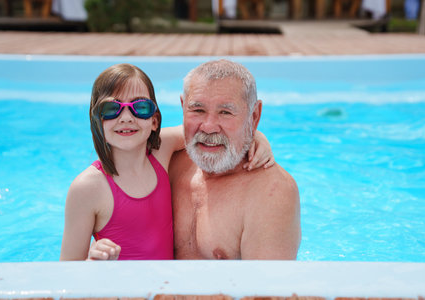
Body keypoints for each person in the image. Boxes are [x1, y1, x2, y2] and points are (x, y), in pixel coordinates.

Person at [60, 63, 274, 261]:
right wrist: (91, 263)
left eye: (140, 107)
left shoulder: (162, 151)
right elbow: (65, 275)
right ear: (96, 120)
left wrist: (256, 136)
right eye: (111, 109)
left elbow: (212, 131)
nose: (125, 117)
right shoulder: (87, 188)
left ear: (154, 121)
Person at [170, 59, 301, 259]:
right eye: (198, 110)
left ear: (254, 116)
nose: (209, 126)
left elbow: (265, 288)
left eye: (225, 112)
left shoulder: (271, 192)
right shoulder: (167, 162)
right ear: (182, 107)